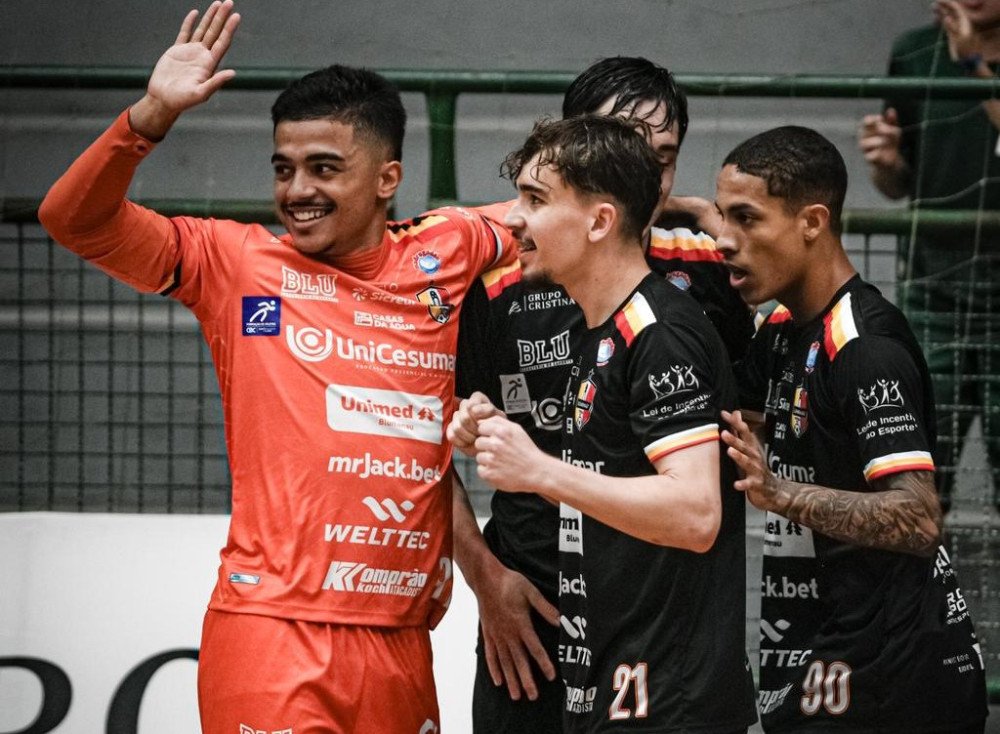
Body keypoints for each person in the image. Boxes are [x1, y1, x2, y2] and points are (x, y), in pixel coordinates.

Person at [37, 2, 516, 732]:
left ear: (388, 177)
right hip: (271, 630)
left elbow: (566, 213)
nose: (297, 192)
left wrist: (676, 210)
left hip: (400, 639)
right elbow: (74, 220)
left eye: (325, 169)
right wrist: (149, 118)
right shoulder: (232, 263)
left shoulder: (446, 246)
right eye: (284, 169)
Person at [452, 56, 755, 733]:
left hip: (658, 645)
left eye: (662, 156)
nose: (642, 168)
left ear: (599, 215)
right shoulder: (581, 308)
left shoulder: (674, 305)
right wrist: (484, 572)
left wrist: (540, 470)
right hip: (556, 612)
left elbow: (698, 506)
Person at [718, 125, 987, 732]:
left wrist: (780, 494)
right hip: (825, 665)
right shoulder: (783, 329)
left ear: (812, 222)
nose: (726, 241)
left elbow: (917, 519)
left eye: (747, 219)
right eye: (719, 217)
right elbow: (726, 414)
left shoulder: (864, 349)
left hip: (891, 681)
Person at [858, 0, 1000, 510]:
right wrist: (888, 161)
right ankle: (927, 590)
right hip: (932, 292)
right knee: (918, 471)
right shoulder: (914, 53)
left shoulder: (959, 56)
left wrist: (972, 64)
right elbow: (896, 186)